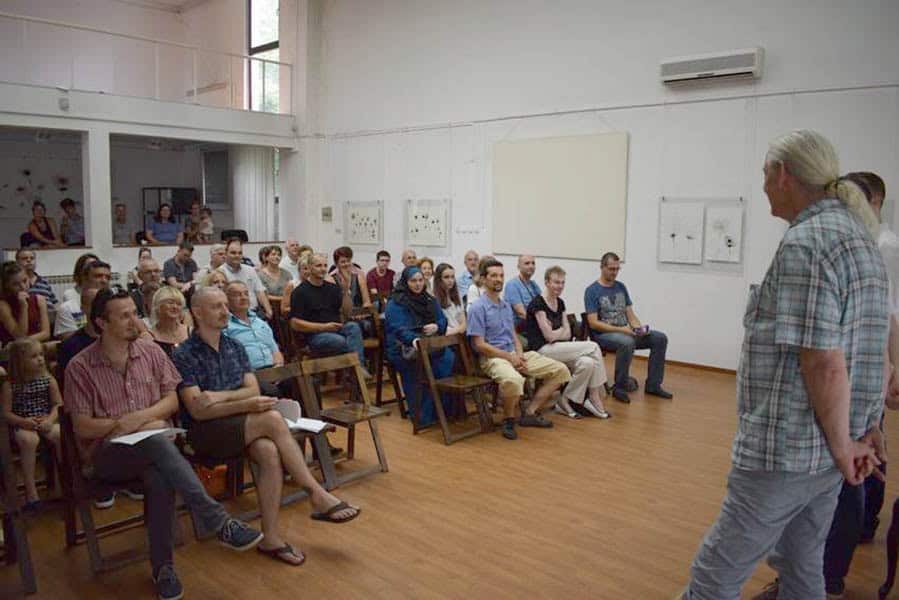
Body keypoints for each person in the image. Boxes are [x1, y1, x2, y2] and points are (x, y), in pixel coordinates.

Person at [682, 130, 888, 600]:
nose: (762, 186)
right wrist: (865, 428)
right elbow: (869, 348)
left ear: (781, 175)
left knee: (715, 574)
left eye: (763, 175)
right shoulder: (860, 238)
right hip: (829, 452)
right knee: (801, 565)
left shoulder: (807, 243)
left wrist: (844, 446)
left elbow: (825, 362)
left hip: (790, 450)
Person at [65, 287, 264, 600]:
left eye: (135, 313)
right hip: (107, 456)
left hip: (156, 448)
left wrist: (140, 420)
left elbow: (171, 401)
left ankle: (164, 569)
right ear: (102, 323)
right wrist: (127, 424)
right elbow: (82, 426)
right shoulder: (80, 366)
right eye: (125, 316)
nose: (135, 321)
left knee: (159, 472)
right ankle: (217, 521)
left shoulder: (151, 353)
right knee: (157, 443)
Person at [173, 286, 360, 569]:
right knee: (272, 419)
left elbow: (251, 389)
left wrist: (220, 397)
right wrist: (244, 403)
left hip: (238, 423)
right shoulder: (184, 354)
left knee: (268, 451)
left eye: (225, 305)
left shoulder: (234, 346)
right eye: (216, 306)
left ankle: (270, 538)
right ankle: (315, 492)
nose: (225, 311)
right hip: (205, 433)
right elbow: (198, 411)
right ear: (197, 313)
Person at [467, 258, 570, 440]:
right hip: (492, 358)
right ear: (483, 279)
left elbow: (513, 335)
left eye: (501, 275)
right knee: (514, 380)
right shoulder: (477, 308)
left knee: (561, 371)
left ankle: (530, 412)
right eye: (493, 276)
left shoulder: (505, 306)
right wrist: (510, 358)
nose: (499, 279)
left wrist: (520, 355)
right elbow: (479, 345)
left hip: (514, 353)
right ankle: (508, 419)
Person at [584, 252, 672, 403]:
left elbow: (631, 315)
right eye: (611, 269)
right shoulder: (592, 291)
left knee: (659, 338)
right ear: (602, 267)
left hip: (626, 331)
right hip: (604, 335)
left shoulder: (621, 287)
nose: (614, 272)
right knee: (627, 342)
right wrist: (622, 330)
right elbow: (593, 323)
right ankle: (620, 386)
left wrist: (638, 328)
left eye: (617, 269)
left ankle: (653, 385)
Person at [526, 266, 610, 419]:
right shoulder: (537, 304)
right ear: (547, 282)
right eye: (556, 282)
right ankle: (594, 395)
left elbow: (568, 334)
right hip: (542, 350)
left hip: (558, 348)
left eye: (562, 283)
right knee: (593, 346)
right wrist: (560, 331)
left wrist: (557, 332)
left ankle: (564, 400)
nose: (560, 286)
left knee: (587, 363)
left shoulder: (560, 302)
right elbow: (549, 337)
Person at [384, 267, 453, 427]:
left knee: (448, 357)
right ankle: (423, 415)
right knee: (418, 365)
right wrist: (413, 340)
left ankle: (443, 410)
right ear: (405, 282)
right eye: (413, 281)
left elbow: (443, 320)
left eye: (420, 280)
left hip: (428, 344)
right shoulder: (396, 303)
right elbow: (398, 329)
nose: (418, 284)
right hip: (403, 347)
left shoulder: (429, 299)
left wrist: (436, 326)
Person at [1, 338, 61, 512]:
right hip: (22, 423)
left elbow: (58, 404)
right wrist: (23, 422)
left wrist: (50, 420)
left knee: (60, 435)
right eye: (34, 356)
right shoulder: (10, 385)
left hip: (45, 420)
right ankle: (31, 491)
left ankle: (60, 484)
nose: (40, 359)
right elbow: (6, 413)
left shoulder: (48, 380)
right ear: (19, 361)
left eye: (41, 355)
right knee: (29, 441)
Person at [289, 253, 366, 369]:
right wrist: (324, 327)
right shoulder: (300, 292)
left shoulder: (332, 288)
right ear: (309, 267)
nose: (323, 269)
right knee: (342, 341)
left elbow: (347, 312)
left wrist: (345, 291)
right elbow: (295, 323)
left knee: (353, 327)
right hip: (316, 334)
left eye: (325, 265)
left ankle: (357, 369)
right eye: (318, 266)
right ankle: (357, 370)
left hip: (336, 328)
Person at [224, 281, 283, 370]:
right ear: (227, 300)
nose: (243, 297)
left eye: (246, 294)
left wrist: (278, 366)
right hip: (248, 373)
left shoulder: (261, 323)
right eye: (237, 295)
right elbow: (228, 357)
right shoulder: (225, 326)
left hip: (274, 369)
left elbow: (275, 350)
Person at [56, 261, 112, 340]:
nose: (104, 281)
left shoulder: (114, 305)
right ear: (84, 279)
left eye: (108, 278)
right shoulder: (68, 308)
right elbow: (69, 341)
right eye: (98, 276)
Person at [219, 238, 272, 319]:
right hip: (233, 315)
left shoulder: (250, 270)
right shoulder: (220, 273)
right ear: (226, 254)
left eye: (240, 253)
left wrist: (268, 310)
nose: (237, 256)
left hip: (255, 312)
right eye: (233, 253)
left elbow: (260, 291)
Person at [0, 261, 50, 346]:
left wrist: (27, 342)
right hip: (13, 349)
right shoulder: (3, 305)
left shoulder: (39, 299)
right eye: (16, 284)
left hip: (35, 345)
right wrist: (23, 307)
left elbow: (46, 333)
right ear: (7, 286)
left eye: (25, 281)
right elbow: (20, 336)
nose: (23, 287)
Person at [58, 287, 101, 375]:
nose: (99, 309)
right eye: (94, 305)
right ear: (82, 309)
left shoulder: (116, 340)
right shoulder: (70, 346)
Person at [149, 286, 190, 358]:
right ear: (158, 306)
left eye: (179, 304)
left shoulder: (191, 332)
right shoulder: (149, 337)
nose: (175, 307)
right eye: (170, 303)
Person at [332, 246, 372, 318]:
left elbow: (367, 302)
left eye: (348, 261)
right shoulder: (332, 278)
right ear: (336, 264)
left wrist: (362, 313)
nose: (346, 264)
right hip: (340, 316)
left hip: (358, 314)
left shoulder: (359, 276)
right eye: (343, 262)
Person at [504, 255, 541, 325]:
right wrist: (542, 322)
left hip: (534, 324)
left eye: (533, 263)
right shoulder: (512, 285)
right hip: (519, 327)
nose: (531, 266)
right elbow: (521, 313)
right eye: (527, 263)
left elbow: (544, 305)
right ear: (518, 267)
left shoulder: (534, 285)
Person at [433, 263, 466, 335]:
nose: (450, 280)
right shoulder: (433, 299)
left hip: (459, 335)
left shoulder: (457, 296)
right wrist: (458, 329)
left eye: (452, 277)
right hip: (445, 338)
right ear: (439, 279)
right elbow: (442, 329)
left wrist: (458, 329)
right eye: (446, 277)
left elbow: (464, 324)